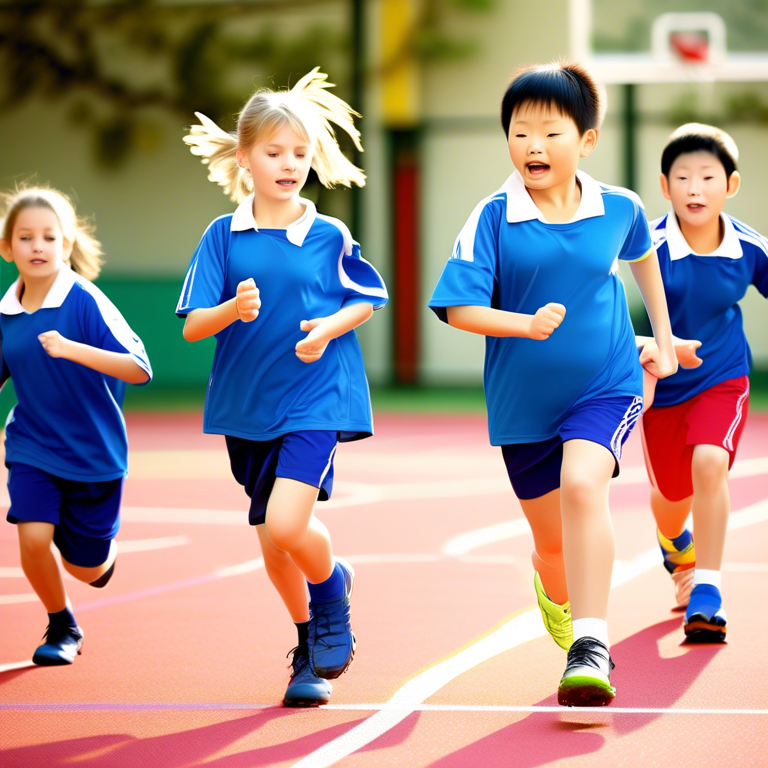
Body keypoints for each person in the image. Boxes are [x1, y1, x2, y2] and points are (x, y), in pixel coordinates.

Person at [429, 62, 677, 706]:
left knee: (582, 485)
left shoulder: (619, 207)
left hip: (607, 383)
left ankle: (590, 642)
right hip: (522, 405)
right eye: (519, 133)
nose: (532, 147)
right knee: (551, 544)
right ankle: (555, 588)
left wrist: (664, 339)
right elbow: (457, 308)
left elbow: (643, 258)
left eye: (549, 132)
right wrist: (524, 325)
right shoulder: (492, 217)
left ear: (586, 140)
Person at [178, 68, 387, 707]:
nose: (289, 164)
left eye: (301, 153)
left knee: (287, 521)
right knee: (274, 547)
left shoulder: (328, 235)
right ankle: (306, 647)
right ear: (245, 159)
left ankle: (330, 594)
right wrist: (231, 311)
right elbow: (192, 327)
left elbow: (366, 300)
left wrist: (327, 327)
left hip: (317, 397)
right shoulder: (223, 236)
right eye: (274, 152)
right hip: (247, 406)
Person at [0, 185, 152, 665]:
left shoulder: (85, 301)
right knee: (32, 536)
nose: (38, 246)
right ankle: (61, 624)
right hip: (33, 445)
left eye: (49, 236)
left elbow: (139, 367)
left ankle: (95, 558)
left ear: (66, 245)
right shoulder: (5, 313)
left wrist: (71, 348)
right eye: (26, 237)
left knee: (85, 567)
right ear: (7, 248)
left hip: (94, 455)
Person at [637, 123, 768, 642]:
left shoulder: (749, 248)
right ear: (665, 186)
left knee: (710, 463)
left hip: (723, 376)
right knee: (671, 496)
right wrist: (654, 345)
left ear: (730, 185)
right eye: (683, 177)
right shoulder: (645, 242)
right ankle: (677, 544)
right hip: (661, 384)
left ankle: (707, 591)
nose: (695, 188)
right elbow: (592, 302)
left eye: (708, 177)